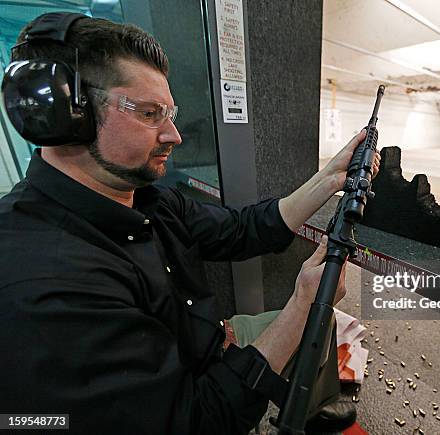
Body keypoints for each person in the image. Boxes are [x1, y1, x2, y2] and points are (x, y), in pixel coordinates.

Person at [0, 13, 380, 435]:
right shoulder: (44, 281)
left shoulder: (145, 198)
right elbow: (193, 422)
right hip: (191, 400)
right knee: (308, 316)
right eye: (149, 113)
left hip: (204, 349)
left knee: (321, 323)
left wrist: (329, 178)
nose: (174, 135)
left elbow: (243, 230)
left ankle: (313, 405)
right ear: (67, 116)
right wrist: (301, 305)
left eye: (169, 113)